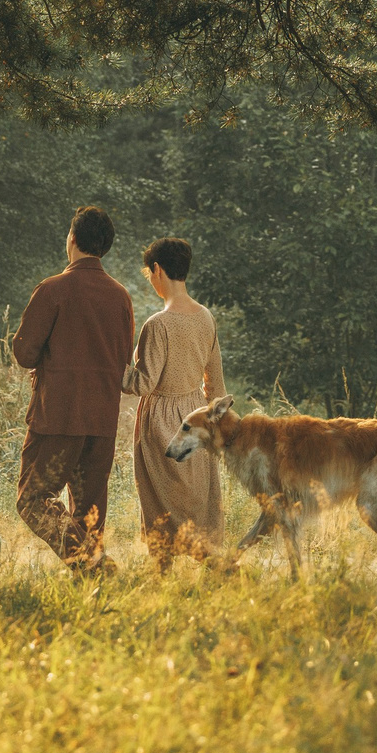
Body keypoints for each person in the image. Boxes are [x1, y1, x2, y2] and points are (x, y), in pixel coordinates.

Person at [10, 204, 136, 575]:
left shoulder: (53, 289)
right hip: (102, 418)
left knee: (33, 499)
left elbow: (24, 351)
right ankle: (94, 584)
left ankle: (93, 563)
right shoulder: (121, 297)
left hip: (58, 415)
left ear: (73, 239)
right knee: (89, 511)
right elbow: (123, 355)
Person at [125, 236, 229, 569]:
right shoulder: (206, 318)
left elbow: (142, 383)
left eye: (149, 273)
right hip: (197, 420)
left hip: (161, 424)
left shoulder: (157, 325)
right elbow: (216, 386)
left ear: (157, 270)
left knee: (160, 501)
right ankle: (213, 562)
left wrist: (111, 364)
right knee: (196, 499)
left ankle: (168, 574)